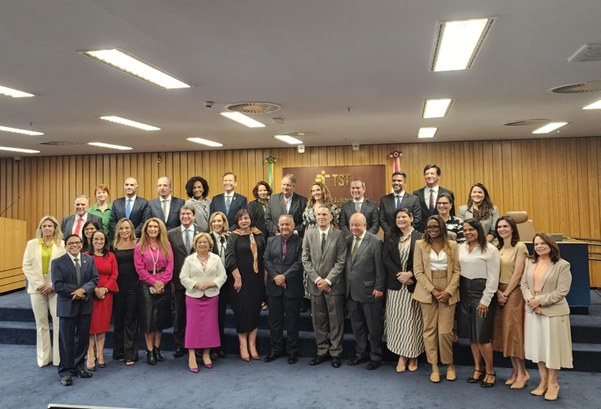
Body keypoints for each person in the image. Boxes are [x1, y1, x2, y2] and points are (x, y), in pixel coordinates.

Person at [520, 233, 572, 401]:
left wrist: (539, 302)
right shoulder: (530, 262)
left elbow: (561, 291)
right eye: (536, 244)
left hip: (554, 312)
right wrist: (530, 301)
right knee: (539, 348)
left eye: (542, 243)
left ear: (551, 245)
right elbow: (524, 284)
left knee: (552, 350)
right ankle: (542, 382)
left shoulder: (562, 265)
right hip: (533, 311)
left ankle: (553, 383)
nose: (539, 246)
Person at [412, 215, 461, 383]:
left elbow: (457, 271)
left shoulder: (453, 245)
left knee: (445, 331)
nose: (432, 229)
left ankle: (449, 365)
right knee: (429, 330)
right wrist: (433, 290)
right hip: (427, 290)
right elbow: (418, 271)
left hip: (448, 289)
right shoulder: (420, 245)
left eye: (435, 226)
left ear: (442, 227)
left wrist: (448, 291)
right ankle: (434, 366)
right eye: (429, 227)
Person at [301, 205, 347, 368]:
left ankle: (336, 353)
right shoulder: (309, 234)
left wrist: (327, 281)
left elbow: (341, 261)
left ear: (331, 217)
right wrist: (317, 280)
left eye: (324, 214)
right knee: (319, 320)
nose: (321, 217)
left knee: (336, 321)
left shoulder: (340, 235)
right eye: (318, 214)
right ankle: (322, 351)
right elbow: (305, 259)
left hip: (334, 286)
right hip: (315, 286)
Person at [457, 219, 500, 388]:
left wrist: (485, 300)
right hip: (464, 292)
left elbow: (493, 278)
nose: (468, 233)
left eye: (471, 230)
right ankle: (477, 369)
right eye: (465, 230)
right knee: (472, 336)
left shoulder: (490, 249)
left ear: (479, 230)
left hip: (481, 292)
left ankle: (490, 371)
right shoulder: (461, 247)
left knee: (482, 336)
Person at [51, 234, 99, 386]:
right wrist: (78, 291)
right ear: (66, 246)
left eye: (77, 243)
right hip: (67, 306)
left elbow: (94, 280)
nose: (74, 245)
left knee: (82, 338)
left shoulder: (89, 260)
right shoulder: (57, 262)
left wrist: (83, 290)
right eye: (71, 243)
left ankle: (78, 367)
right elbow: (58, 286)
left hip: (85, 305)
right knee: (66, 340)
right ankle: (65, 371)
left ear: (81, 244)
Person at [382, 208, 423, 372]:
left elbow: (423, 260)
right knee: (398, 321)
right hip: (396, 285)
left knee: (413, 321)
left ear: (411, 218)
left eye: (404, 217)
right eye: (398, 217)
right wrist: (400, 275)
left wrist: (411, 274)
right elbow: (386, 258)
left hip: (414, 284)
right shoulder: (391, 236)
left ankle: (413, 356)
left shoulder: (420, 237)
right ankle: (401, 356)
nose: (401, 220)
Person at [22, 215, 66, 367]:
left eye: (50, 226)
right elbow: (26, 265)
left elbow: (64, 268)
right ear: (40, 228)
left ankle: (58, 358)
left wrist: (53, 284)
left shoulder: (62, 245)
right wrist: (40, 284)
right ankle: (43, 358)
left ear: (55, 229)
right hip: (37, 288)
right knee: (41, 323)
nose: (47, 228)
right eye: (44, 226)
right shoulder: (32, 244)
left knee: (58, 321)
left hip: (55, 288)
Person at [180, 233, 227, 372]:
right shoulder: (189, 260)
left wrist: (212, 284)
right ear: (195, 245)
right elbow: (183, 277)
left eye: (205, 242)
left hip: (211, 296)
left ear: (209, 244)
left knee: (209, 326)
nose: (202, 244)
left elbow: (223, 276)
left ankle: (206, 354)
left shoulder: (216, 259)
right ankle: (192, 355)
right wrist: (195, 284)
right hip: (193, 296)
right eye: (199, 242)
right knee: (193, 327)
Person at [492, 216, 529, 388]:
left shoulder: (519, 247)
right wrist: (498, 291)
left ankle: (523, 373)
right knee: (505, 332)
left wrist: (505, 293)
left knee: (514, 332)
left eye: (505, 226)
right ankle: (515, 371)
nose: (502, 229)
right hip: (499, 291)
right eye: (499, 227)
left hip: (513, 292)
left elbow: (518, 274)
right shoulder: (497, 247)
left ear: (512, 228)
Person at [345, 213, 385, 370]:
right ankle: (361, 353)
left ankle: (375, 356)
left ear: (365, 225)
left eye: (357, 225)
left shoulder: (374, 241)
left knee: (373, 326)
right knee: (357, 325)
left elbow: (380, 267)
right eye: (352, 225)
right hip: (351, 292)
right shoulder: (347, 241)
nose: (354, 227)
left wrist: (379, 287)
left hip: (370, 291)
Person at [225, 209, 266, 361]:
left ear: (251, 219)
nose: (244, 221)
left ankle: (252, 345)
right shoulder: (234, 236)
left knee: (255, 311)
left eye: (246, 218)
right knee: (242, 312)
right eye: (241, 219)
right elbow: (229, 258)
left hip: (257, 279)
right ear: (237, 221)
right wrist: (237, 278)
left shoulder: (259, 234)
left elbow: (264, 256)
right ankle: (243, 346)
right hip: (240, 280)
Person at [263, 215, 304, 364]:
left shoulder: (301, 242)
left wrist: (284, 277)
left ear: (293, 226)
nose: (285, 227)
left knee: (292, 321)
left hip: (292, 287)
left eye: (288, 224)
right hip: (274, 287)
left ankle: (292, 351)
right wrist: (276, 277)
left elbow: (300, 263)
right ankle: (276, 349)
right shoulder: (271, 240)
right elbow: (266, 260)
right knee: (274, 321)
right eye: (282, 225)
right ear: (278, 226)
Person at [134, 217, 174, 365]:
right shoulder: (140, 246)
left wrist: (162, 282)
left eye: (155, 227)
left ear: (159, 229)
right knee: (149, 320)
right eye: (150, 227)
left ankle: (157, 349)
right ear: (146, 229)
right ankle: (149, 350)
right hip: (146, 284)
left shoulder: (166, 244)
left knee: (160, 319)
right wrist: (153, 282)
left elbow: (170, 267)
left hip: (164, 283)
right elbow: (139, 268)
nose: (152, 229)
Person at [167, 204, 201, 358]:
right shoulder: (170, 234)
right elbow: (169, 259)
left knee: (197, 315)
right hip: (179, 281)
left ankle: (198, 343)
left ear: (194, 216)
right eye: (183, 214)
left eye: (188, 214)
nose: (185, 216)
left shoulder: (202, 233)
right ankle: (180, 345)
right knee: (180, 315)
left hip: (199, 282)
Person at [86, 230, 118, 371]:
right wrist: (94, 290)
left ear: (105, 241)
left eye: (101, 239)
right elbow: (84, 276)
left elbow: (114, 274)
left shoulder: (111, 256)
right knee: (91, 327)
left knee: (102, 327)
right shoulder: (85, 256)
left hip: (106, 294)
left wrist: (104, 289)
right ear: (91, 241)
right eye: (96, 239)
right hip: (90, 294)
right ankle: (90, 354)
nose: (99, 242)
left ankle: (100, 355)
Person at [111, 218, 139, 365]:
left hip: (134, 286)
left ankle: (130, 354)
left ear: (132, 229)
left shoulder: (138, 243)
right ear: (118, 230)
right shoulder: (113, 245)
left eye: (127, 228)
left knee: (131, 319)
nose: (124, 231)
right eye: (122, 228)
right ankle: (119, 352)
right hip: (117, 287)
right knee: (119, 319)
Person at [209, 211, 230, 358]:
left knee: (221, 315)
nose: (217, 224)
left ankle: (219, 346)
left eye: (219, 221)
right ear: (211, 224)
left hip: (226, 282)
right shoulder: (206, 238)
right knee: (210, 316)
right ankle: (208, 347)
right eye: (214, 221)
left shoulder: (229, 238)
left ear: (224, 223)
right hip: (210, 283)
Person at [413, 164, 455, 232]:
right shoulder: (416, 194)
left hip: (442, 231)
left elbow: (451, 214)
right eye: (426, 174)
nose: (429, 176)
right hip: (422, 232)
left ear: (438, 176)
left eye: (432, 173)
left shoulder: (448, 193)